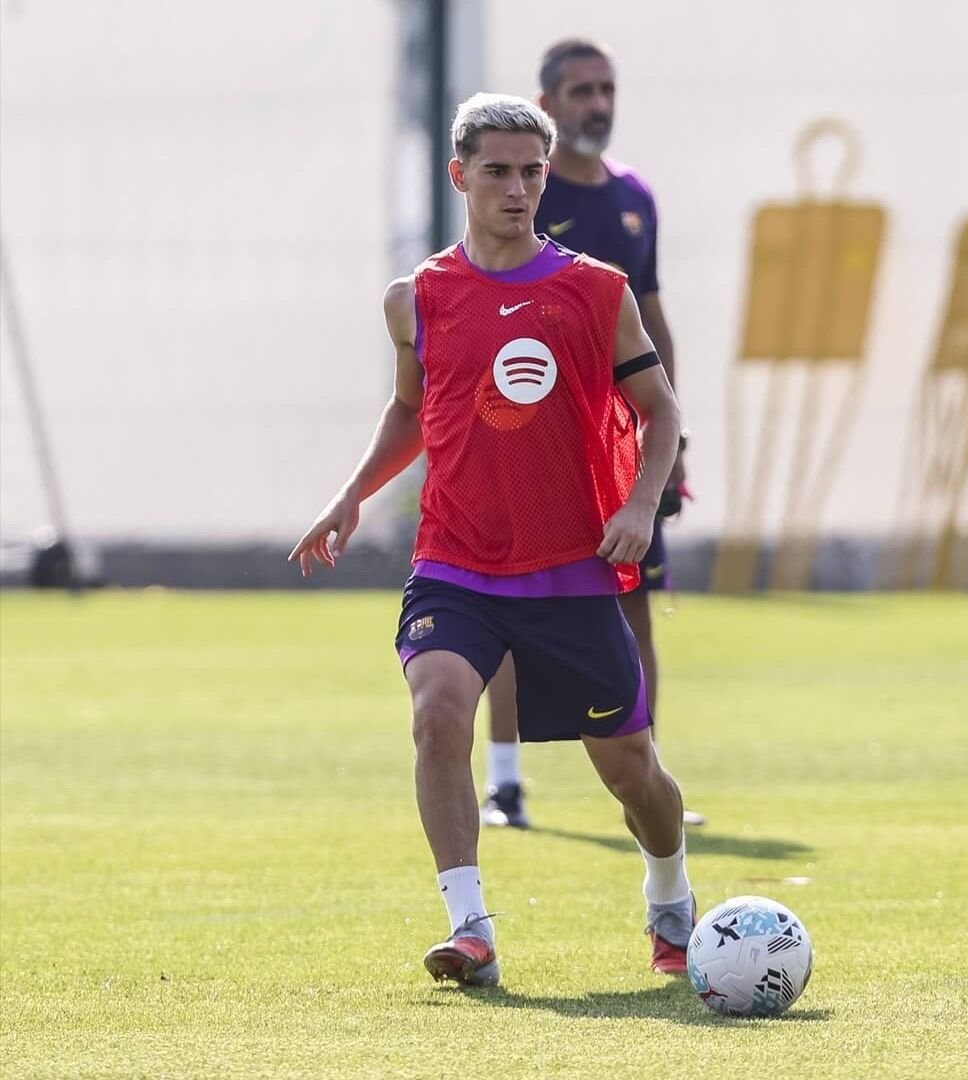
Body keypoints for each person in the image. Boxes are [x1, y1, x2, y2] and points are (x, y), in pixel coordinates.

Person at [289, 93, 697, 982]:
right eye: (498, 172)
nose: (517, 189)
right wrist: (352, 494)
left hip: (574, 570)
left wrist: (637, 506)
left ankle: (669, 894)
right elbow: (411, 408)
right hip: (456, 561)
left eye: (531, 172)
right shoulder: (417, 299)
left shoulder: (595, 291)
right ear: (459, 177)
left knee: (633, 775)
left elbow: (660, 411)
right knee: (437, 713)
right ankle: (470, 928)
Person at [478, 38, 701, 830]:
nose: (597, 104)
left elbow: (655, 317)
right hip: (534, 444)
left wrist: (669, 441)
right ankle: (505, 785)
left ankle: (650, 780)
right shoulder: (518, 204)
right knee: (499, 603)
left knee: (634, 605)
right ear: (548, 104)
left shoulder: (634, 198)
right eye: (581, 91)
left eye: (606, 89)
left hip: (621, 449)